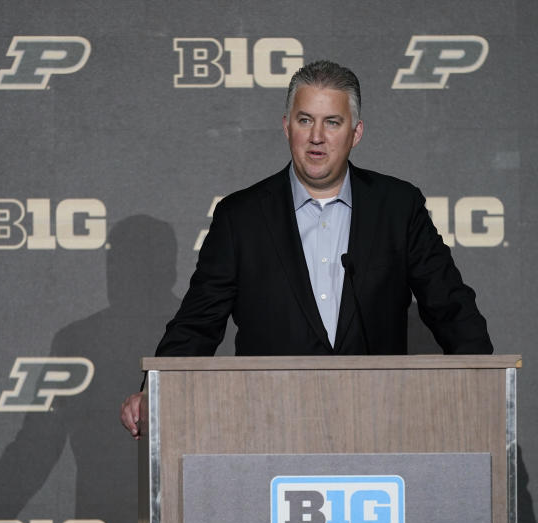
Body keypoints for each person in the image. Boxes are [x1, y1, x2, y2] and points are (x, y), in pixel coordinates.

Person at [120, 60, 492, 438]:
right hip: (269, 424)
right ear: (286, 127)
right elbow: (198, 322)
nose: (317, 136)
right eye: (304, 120)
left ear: (356, 132)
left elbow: (450, 305)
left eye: (332, 122)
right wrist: (156, 389)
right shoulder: (241, 216)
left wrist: (485, 383)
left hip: (378, 422)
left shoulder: (397, 207)